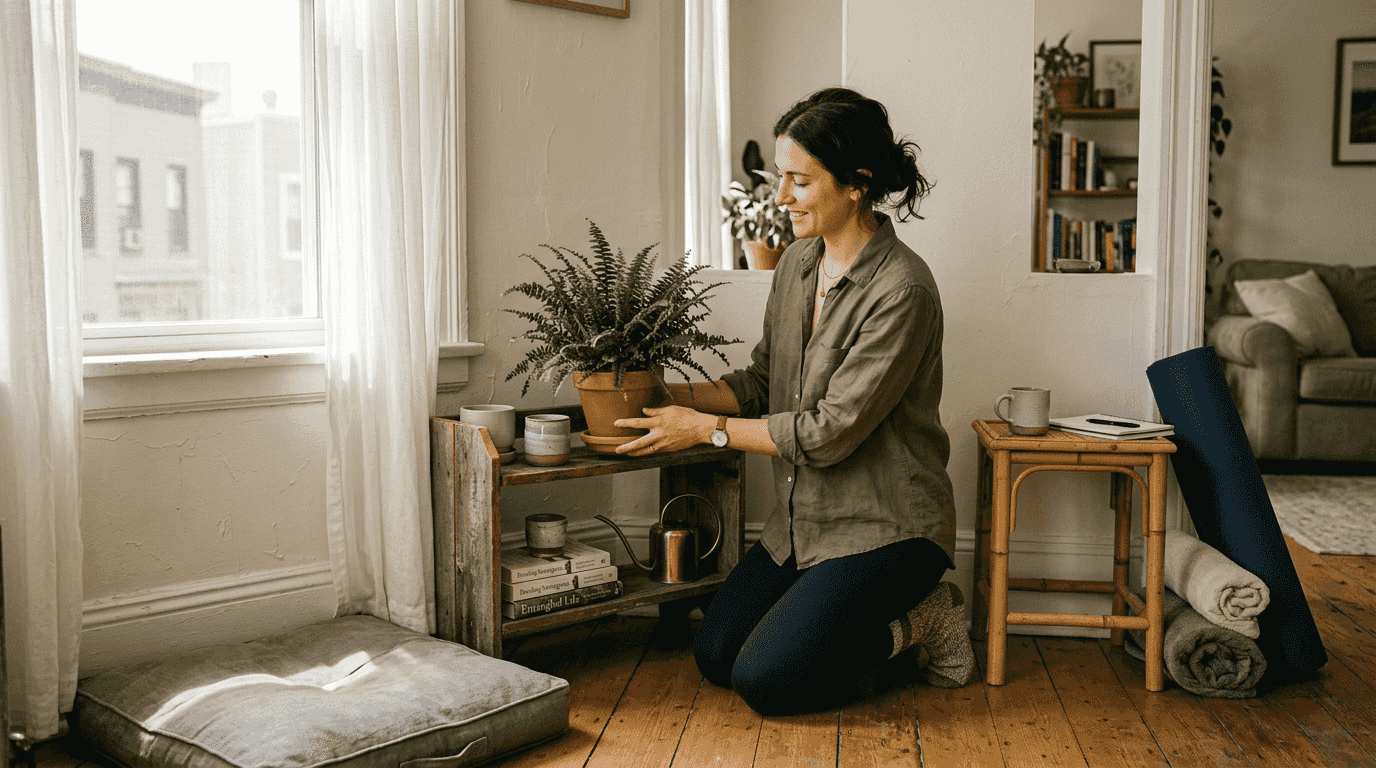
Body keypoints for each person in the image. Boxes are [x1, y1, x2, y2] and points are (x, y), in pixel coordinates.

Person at [613, 87, 971, 715]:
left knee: (767, 680)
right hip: (804, 527)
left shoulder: (903, 289)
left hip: (888, 531)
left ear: (856, 184)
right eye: (782, 177)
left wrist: (705, 429)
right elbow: (759, 382)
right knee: (717, 654)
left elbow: (827, 433)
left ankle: (928, 620)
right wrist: (659, 395)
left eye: (799, 181)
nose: (780, 197)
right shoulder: (797, 264)